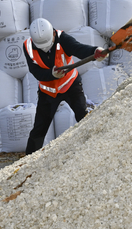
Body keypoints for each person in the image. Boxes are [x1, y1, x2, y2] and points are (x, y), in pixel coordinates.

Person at [23, 18, 109, 154]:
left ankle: (97, 150)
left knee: (83, 116)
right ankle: (26, 162)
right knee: (39, 128)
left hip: (70, 85)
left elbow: (78, 48)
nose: (45, 48)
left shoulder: (62, 38)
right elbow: (35, 71)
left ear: (52, 34)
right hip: (48, 93)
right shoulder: (28, 47)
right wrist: (51, 74)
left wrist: (95, 52)